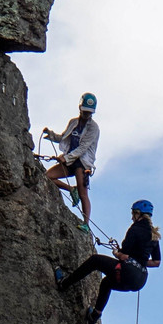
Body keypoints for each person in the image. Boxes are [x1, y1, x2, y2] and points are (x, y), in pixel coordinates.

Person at [55, 200, 161, 324]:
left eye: (133, 214)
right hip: (140, 280)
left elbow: (123, 255)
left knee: (95, 260)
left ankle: (64, 283)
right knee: (107, 283)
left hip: (128, 272)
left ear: (138, 214)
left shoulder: (135, 229)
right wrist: (138, 261)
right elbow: (156, 262)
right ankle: (94, 316)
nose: (132, 218)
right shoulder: (154, 235)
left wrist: (118, 254)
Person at [43, 92, 99, 232]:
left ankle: (86, 224)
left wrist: (66, 158)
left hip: (82, 163)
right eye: (85, 111)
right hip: (70, 159)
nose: (86, 114)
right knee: (48, 176)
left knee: (83, 193)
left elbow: (83, 148)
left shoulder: (93, 128)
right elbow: (64, 137)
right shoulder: (73, 122)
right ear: (80, 108)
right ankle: (71, 189)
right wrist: (51, 135)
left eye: (89, 112)